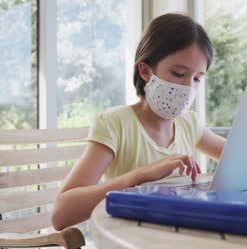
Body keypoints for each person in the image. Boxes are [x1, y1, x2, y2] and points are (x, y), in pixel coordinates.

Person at [51, 13, 226, 230]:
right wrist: (140, 176)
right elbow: (61, 214)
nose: (189, 87)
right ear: (145, 71)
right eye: (179, 73)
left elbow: (240, 158)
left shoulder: (188, 123)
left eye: (197, 78)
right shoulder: (115, 124)